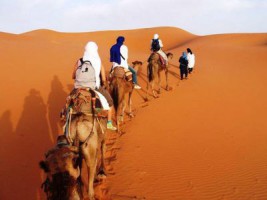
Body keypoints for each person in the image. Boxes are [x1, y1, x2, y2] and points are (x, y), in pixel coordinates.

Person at [72, 41, 117, 131]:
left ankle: (66, 121)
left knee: (69, 102)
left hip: (78, 87)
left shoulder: (79, 60)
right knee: (110, 103)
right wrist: (103, 83)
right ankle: (109, 123)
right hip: (94, 86)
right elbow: (103, 79)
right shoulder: (98, 62)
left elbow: (73, 76)